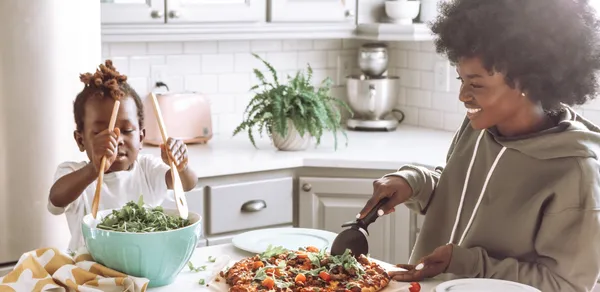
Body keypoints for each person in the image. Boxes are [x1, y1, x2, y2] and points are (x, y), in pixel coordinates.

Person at [358, 0, 600, 291]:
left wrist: (466, 263)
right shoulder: (479, 127)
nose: (462, 96)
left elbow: (565, 285)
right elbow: (460, 194)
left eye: (476, 84)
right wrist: (414, 182)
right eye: (461, 80)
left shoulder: (575, 171)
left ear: (528, 82)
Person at [47, 60, 198, 253]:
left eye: (126, 130)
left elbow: (187, 184)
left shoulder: (147, 169)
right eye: (101, 133)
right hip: (89, 273)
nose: (116, 140)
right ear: (81, 140)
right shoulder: (74, 173)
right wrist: (94, 168)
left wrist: (181, 167)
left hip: (143, 266)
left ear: (141, 137)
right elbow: (55, 202)